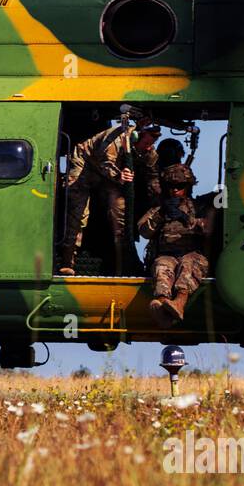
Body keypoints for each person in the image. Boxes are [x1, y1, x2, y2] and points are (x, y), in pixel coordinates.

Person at [57, 106, 159, 276]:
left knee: (120, 214)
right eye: (147, 143)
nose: (149, 148)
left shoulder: (147, 150)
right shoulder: (116, 140)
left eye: (151, 144)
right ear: (136, 137)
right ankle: (68, 262)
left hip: (110, 174)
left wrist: (157, 198)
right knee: (79, 212)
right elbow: (106, 163)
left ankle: (125, 264)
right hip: (86, 165)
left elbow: (152, 173)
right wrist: (120, 176)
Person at [137, 163, 211, 327]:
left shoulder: (199, 207)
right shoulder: (160, 208)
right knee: (161, 265)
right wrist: (161, 214)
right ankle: (162, 302)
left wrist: (186, 219)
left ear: (188, 186)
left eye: (180, 186)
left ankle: (179, 301)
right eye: (171, 186)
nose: (175, 190)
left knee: (188, 263)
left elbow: (209, 229)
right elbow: (143, 230)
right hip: (167, 254)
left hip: (193, 254)